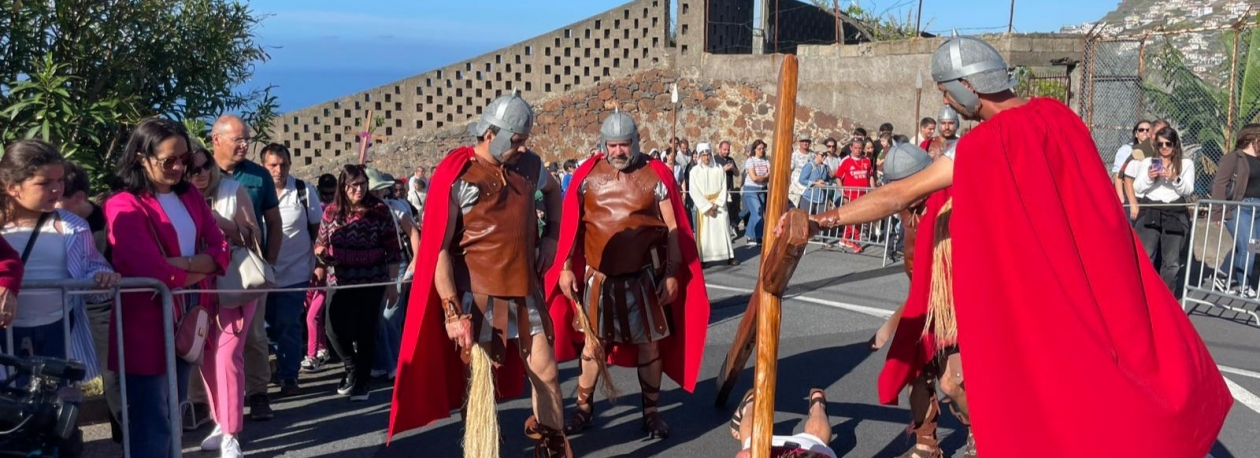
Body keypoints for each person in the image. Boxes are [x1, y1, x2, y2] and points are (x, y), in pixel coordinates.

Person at [793, 35, 1231, 457]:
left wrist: (819, 219)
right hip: (1096, 276)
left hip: (1044, 294)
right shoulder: (1062, 118)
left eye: (947, 92)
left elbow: (898, 194)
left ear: (968, 86)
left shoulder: (982, 145)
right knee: (1117, 379)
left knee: (1057, 403)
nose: (946, 102)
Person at [388, 93, 571, 457]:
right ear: (491, 134)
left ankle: (550, 447)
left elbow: (553, 193)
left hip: (524, 291)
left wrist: (551, 236)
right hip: (477, 297)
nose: (522, 148)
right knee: (477, 391)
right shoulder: (459, 176)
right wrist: (452, 312)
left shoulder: (530, 166)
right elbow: (438, 249)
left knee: (547, 374)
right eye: (516, 140)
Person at [546, 111, 710, 440]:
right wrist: (564, 268)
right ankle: (583, 409)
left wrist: (673, 273)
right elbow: (571, 229)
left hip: (645, 280)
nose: (618, 151)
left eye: (624, 145)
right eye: (613, 145)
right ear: (603, 145)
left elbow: (675, 228)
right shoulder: (586, 176)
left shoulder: (656, 175)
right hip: (599, 279)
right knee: (592, 347)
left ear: (635, 143)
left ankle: (651, 414)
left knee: (650, 348)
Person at [105, 118, 230, 458]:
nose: (178, 167)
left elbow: (222, 250)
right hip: (145, 322)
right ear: (140, 158)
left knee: (173, 409)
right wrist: (200, 264)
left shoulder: (190, 195)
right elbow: (150, 269)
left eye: (184, 159)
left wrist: (184, 265)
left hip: (188, 314)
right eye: (168, 161)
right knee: (152, 418)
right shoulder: (123, 203)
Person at [0, 140, 118, 382]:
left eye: (60, 180)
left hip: (59, 332)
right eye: (44, 183)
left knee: (60, 408)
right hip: (6, 335)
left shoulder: (73, 226)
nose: (57, 189)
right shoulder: (4, 230)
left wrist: (103, 276)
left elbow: (91, 267)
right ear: (13, 187)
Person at [187, 143, 260, 457]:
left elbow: (254, 236)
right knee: (206, 358)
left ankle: (231, 433)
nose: (202, 174)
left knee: (228, 357)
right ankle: (221, 421)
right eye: (194, 169)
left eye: (206, 166)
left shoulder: (232, 190)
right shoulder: (178, 200)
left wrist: (218, 220)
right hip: (198, 288)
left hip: (233, 286)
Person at [210, 114, 281, 420]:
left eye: (247, 139)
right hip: (207, 268)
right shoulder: (199, 171)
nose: (244, 145)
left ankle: (258, 393)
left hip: (247, 269)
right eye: (238, 139)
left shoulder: (258, 176)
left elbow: (273, 222)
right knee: (204, 333)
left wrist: (270, 263)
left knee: (253, 335)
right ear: (217, 140)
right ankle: (204, 402)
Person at [315, 164, 401, 401]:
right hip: (339, 279)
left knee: (366, 330)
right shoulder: (332, 212)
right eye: (353, 185)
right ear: (344, 186)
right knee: (333, 328)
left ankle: (362, 381)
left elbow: (393, 250)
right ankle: (352, 367)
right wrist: (321, 258)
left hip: (371, 280)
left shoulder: (380, 211)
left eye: (363, 184)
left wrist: (392, 284)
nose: (359, 189)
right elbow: (320, 241)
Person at [260, 143, 322, 396]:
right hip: (262, 274)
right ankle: (278, 363)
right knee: (267, 327)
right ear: (263, 166)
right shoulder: (254, 191)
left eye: (283, 164)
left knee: (288, 323)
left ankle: (289, 376)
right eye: (273, 165)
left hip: (295, 271)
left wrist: (319, 265)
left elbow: (317, 230)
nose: (279, 170)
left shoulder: (303, 191)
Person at [364, 168, 419, 380]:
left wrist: (414, 264)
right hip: (371, 270)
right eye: (372, 192)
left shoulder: (395, 208)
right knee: (375, 317)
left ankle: (396, 362)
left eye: (379, 191)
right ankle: (381, 362)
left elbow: (414, 234)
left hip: (399, 266)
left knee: (390, 317)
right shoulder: (359, 212)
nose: (377, 196)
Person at [1127, 127, 1194, 292]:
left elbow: (1188, 190)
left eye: (1168, 144)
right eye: (1160, 144)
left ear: (1175, 145)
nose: (1164, 148)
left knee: (1171, 262)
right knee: (1145, 256)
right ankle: (1143, 293)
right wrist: (1150, 177)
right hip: (1151, 208)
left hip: (1174, 210)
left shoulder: (1186, 164)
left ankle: (1166, 298)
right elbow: (1138, 188)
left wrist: (1174, 178)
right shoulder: (1148, 162)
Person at [1211, 123, 1260, 297]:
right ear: (1253, 138)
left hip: (1258, 210)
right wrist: (1218, 211)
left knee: (1254, 247)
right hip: (1241, 208)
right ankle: (1243, 286)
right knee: (1247, 247)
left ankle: (1222, 274)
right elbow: (1219, 184)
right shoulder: (1234, 158)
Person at [729, 389, 836, 458]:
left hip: (809, 448)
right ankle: (751, 404)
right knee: (751, 437)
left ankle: (818, 403)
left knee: (817, 436)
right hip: (804, 449)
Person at [303, 174, 337, 371]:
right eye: (324, 194)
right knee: (311, 313)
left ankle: (312, 355)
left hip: (327, 269)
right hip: (307, 268)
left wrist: (322, 265)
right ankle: (322, 349)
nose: (328, 197)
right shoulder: (314, 209)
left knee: (312, 316)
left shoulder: (336, 212)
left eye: (331, 193)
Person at [689, 143, 738, 266]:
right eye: (703, 155)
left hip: (719, 205)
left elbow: (724, 187)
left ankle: (729, 256)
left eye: (708, 155)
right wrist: (707, 207)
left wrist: (716, 204)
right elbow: (694, 191)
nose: (706, 157)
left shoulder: (719, 169)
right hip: (705, 207)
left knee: (724, 231)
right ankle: (704, 259)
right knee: (706, 236)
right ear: (700, 156)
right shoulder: (694, 171)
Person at [1112, 121, 1151, 204]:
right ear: (1136, 134)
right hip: (1129, 193)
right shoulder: (1127, 149)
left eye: (1148, 130)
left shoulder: (1156, 150)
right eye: (1141, 130)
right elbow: (1117, 174)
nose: (1145, 132)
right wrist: (1121, 199)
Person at [742, 140, 771, 246]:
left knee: (758, 214)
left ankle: (753, 235)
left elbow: (770, 173)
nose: (761, 151)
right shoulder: (750, 161)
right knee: (757, 214)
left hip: (762, 189)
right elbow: (754, 177)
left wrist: (763, 177)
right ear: (754, 150)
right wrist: (765, 176)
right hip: (751, 189)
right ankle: (754, 236)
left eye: (763, 148)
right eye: (759, 149)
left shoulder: (766, 160)